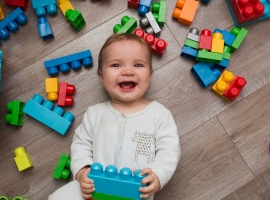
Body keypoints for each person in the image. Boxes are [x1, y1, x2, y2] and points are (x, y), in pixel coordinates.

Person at [48, 33, 181, 200]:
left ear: (150, 75)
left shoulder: (159, 114)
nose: (127, 72)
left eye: (138, 65)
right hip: (94, 189)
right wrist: (82, 171)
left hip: (136, 193)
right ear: (101, 77)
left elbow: (169, 151)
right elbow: (81, 145)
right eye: (116, 65)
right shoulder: (95, 114)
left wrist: (157, 174)